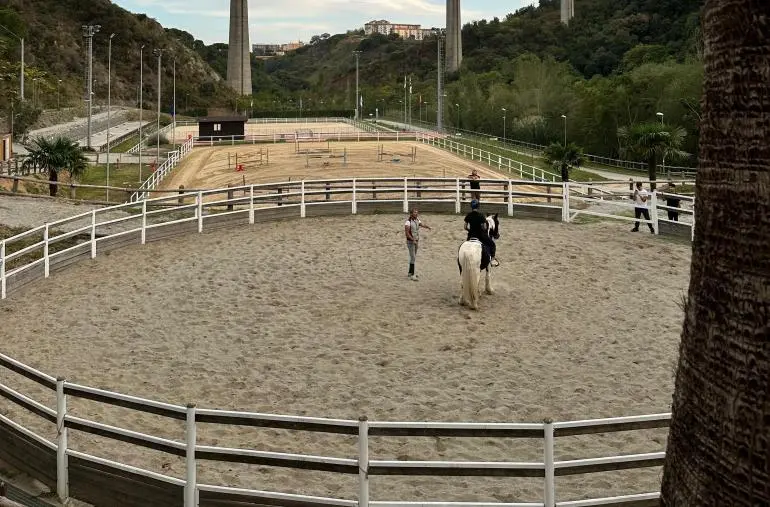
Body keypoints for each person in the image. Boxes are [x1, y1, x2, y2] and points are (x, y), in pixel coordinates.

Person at [404, 208, 431, 281]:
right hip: (411, 242)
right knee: (413, 257)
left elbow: (421, 224)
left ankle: (410, 273)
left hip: (416, 241)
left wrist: (427, 227)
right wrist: (413, 240)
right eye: (415, 212)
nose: (416, 214)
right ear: (411, 214)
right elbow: (407, 233)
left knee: (413, 257)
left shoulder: (417, 220)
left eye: (417, 212)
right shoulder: (408, 222)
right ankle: (412, 275)